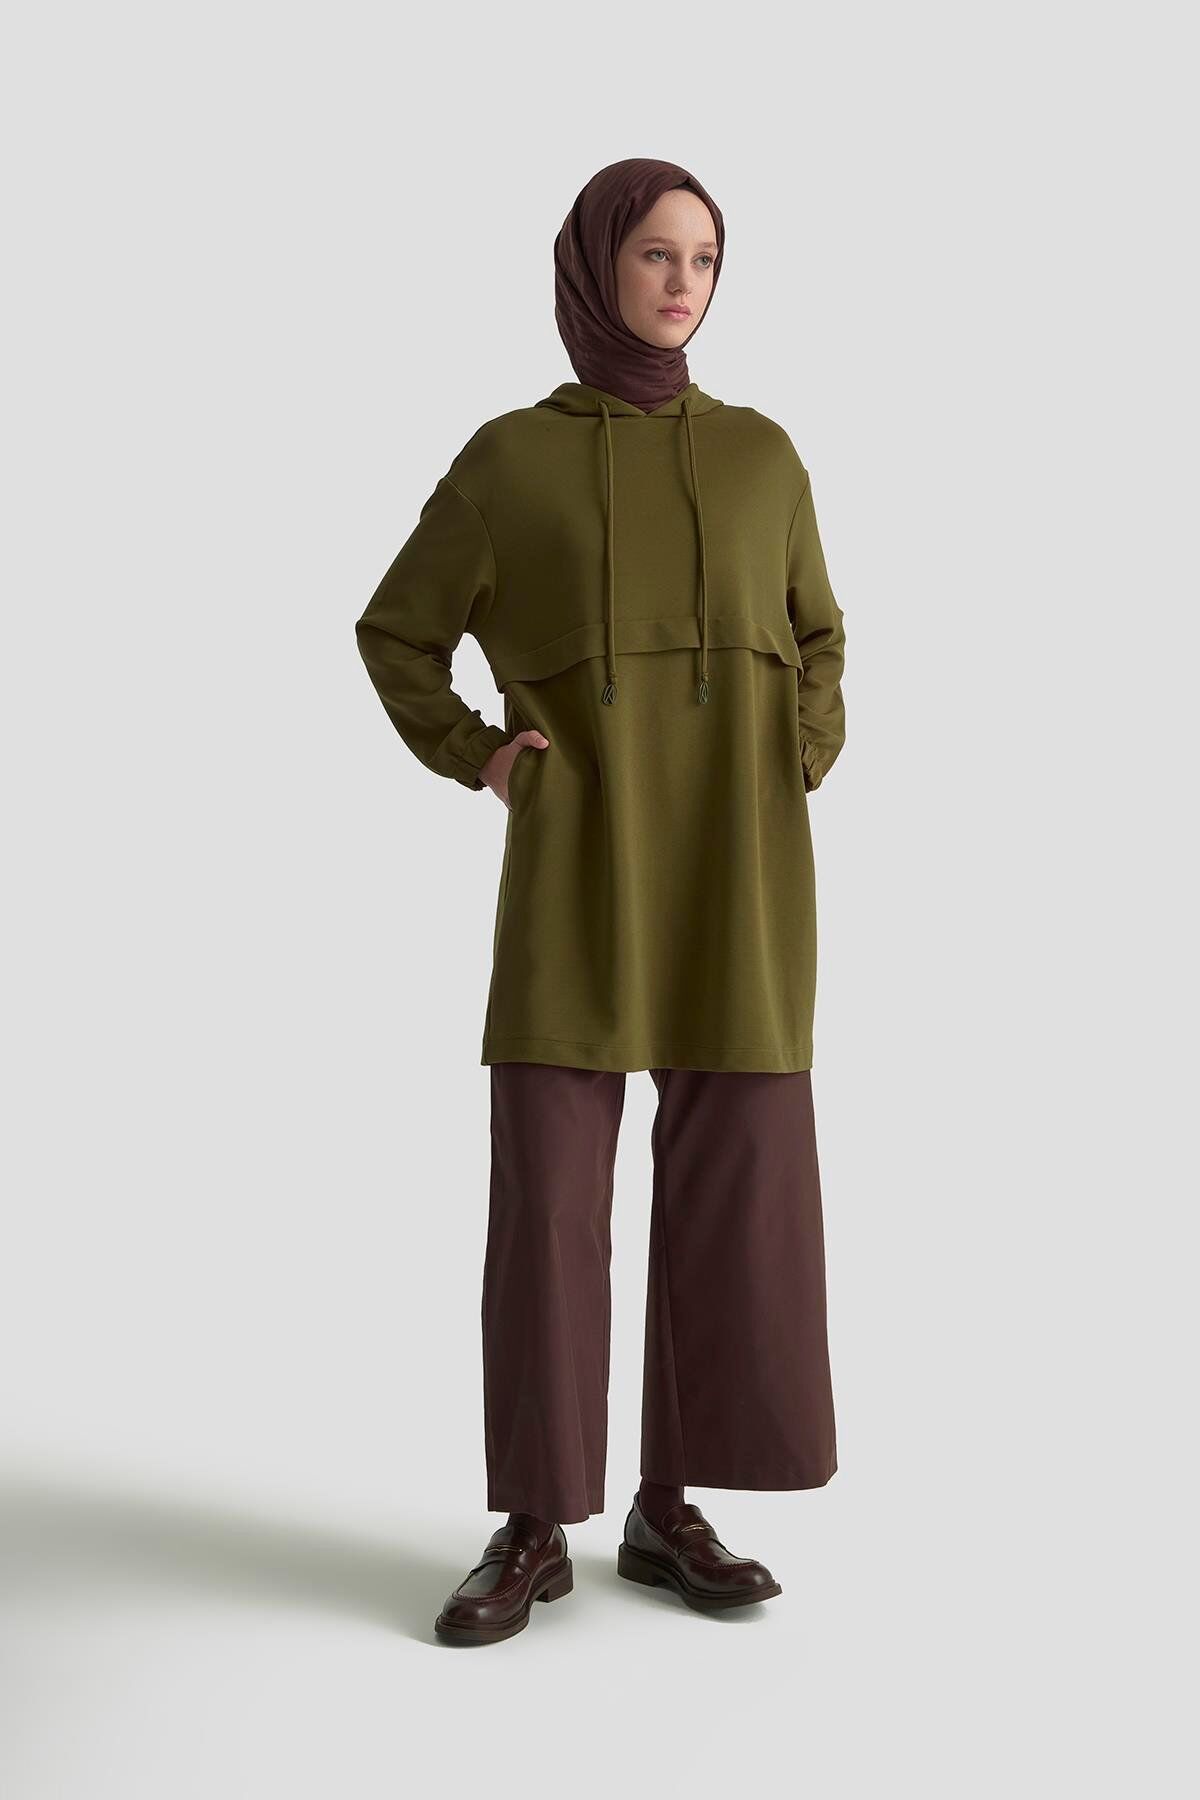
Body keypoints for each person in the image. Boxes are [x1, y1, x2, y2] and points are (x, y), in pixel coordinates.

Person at [355, 157, 847, 1646]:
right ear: (593, 268)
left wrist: (798, 747)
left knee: (732, 1196)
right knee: (550, 1201)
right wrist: (482, 755)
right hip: (579, 870)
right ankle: (533, 1522)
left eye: (704, 258)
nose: (683, 282)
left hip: (739, 881)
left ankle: (669, 1505)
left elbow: (822, 634)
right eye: (654, 254)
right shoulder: (511, 462)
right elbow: (396, 631)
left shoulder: (763, 456)